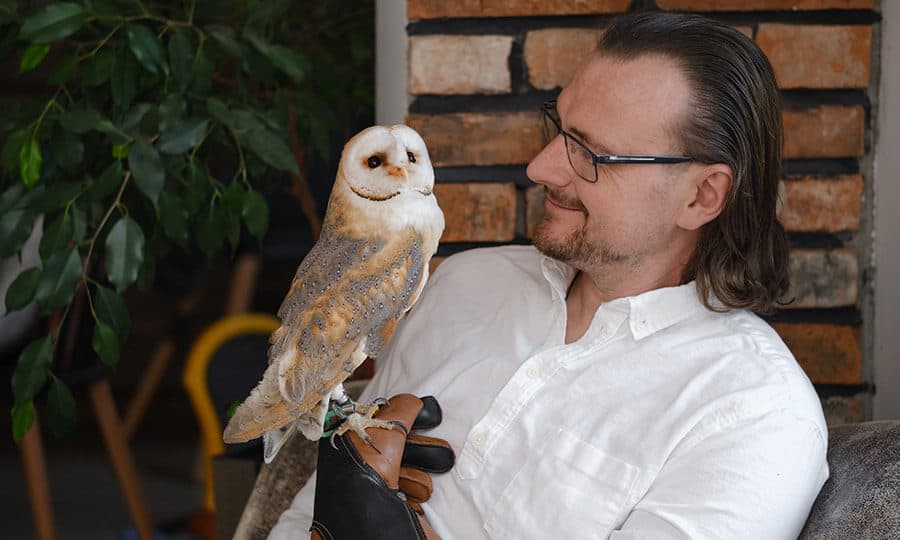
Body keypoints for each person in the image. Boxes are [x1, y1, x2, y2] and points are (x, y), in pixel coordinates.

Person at [270, 11, 828, 539]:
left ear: (702, 196)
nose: (540, 166)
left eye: (591, 153)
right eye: (560, 127)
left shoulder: (751, 410)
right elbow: (309, 514)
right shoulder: (466, 285)